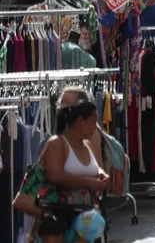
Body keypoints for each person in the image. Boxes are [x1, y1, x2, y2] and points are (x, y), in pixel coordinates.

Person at [39, 100, 108, 243]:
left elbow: (91, 167)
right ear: (80, 121)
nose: (95, 127)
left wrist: (101, 173)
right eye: (93, 122)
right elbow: (54, 175)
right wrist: (89, 182)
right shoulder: (57, 143)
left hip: (86, 216)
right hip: (61, 216)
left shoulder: (87, 145)